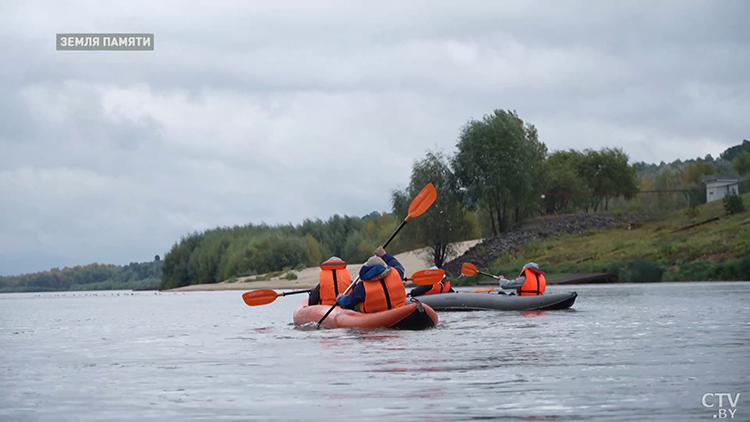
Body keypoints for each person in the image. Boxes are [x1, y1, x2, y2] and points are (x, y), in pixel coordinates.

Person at [335, 246, 407, 313]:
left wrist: (340, 298)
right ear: (383, 266)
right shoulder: (397, 273)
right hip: (399, 310)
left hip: (377, 316)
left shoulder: (362, 286)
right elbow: (396, 265)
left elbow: (348, 302)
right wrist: (384, 255)